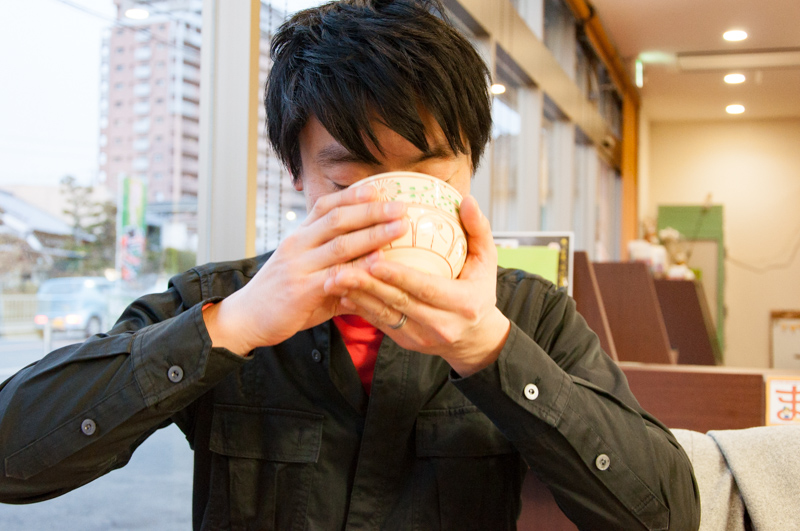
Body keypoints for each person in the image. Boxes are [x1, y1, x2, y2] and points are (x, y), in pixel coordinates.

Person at [0, 0, 700, 529]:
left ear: (470, 168)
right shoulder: (224, 298)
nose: (388, 210)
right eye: (348, 183)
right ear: (298, 175)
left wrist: (487, 347)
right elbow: (13, 456)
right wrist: (232, 326)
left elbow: (667, 513)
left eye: (427, 176)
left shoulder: (528, 313)